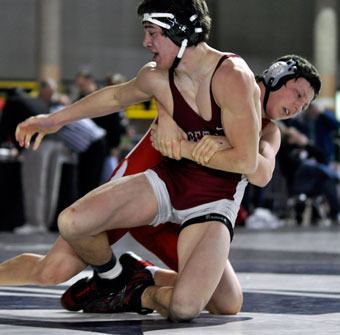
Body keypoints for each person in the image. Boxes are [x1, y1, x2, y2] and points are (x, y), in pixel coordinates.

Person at [3, 0, 320, 322]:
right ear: (277, 79)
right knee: (57, 263)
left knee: (224, 302)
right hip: (156, 182)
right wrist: (54, 120)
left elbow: (256, 169)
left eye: (306, 103)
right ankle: (113, 278)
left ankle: (133, 282)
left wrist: (190, 144)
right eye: (297, 94)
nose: (300, 106)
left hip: (203, 207)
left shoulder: (258, 116)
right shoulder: (175, 74)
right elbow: (117, 96)